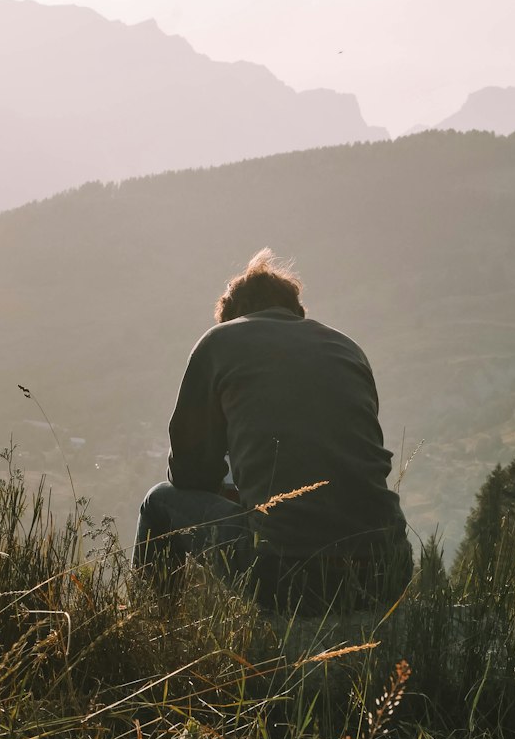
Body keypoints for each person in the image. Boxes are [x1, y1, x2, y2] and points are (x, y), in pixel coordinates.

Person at [133, 249, 412, 615]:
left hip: (288, 575)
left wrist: (234, 488)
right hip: (386, 572)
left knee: (159, 503)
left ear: (231, 317)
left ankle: (154, 633)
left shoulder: (219, 341)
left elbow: (189, 474)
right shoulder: (348, 349)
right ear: (295, 311)